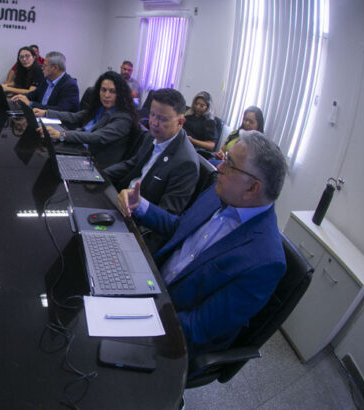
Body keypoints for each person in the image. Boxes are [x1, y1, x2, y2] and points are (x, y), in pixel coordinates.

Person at [117, 131, 287, 358]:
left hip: (171, 331)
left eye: (229, 164)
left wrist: (134, 322)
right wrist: (141, 205)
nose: (219, 167)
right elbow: (180, 228)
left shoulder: (265, 261)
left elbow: (198, 326)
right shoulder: (219, 193)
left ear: (252, 188)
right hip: (151, 286)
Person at [104, 88, 199, 216]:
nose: (154, 122)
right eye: (152, 114)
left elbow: (168, 214)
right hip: (121, 198)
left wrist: (138, 206)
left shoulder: (186, 163)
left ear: (180, 122)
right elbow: (132, 164)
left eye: (162, 119)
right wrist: (100, 176)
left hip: (136, 217)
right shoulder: (151, 136)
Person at [33, 71, 137, 169]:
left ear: (120, 94)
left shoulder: (123, 118)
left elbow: (96, 137)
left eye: (112, 91)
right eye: (103, 90)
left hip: (94, 162)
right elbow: (74, 116)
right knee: (42, 154)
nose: (106, 95)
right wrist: (46, 113)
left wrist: (61, 135)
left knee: (48, 163)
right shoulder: (100, 108)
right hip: (79, 148)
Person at [11, 51, 80, 113]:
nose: (42, 68)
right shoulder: (46, 80)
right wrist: (21, 97)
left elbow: (62, 110)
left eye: (45, 65)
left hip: (57, 121)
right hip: (40, 116)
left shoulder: (69, 85)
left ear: (55, 68)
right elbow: (34, 94)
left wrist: (31, 104)